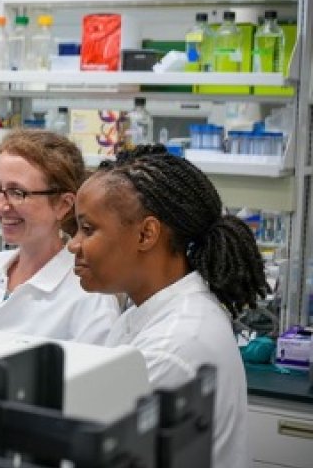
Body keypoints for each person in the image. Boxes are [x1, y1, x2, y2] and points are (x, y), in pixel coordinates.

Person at [68, 145, 268, 467]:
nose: (73, 244)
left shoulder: (171, 347)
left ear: (146, 234)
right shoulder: (151, 312)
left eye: (88, 229)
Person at [0, 129, 120, 344]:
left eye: (17, 193)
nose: (0, 206)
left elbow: (97, 365)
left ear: (63, 204)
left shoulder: (90, 296)